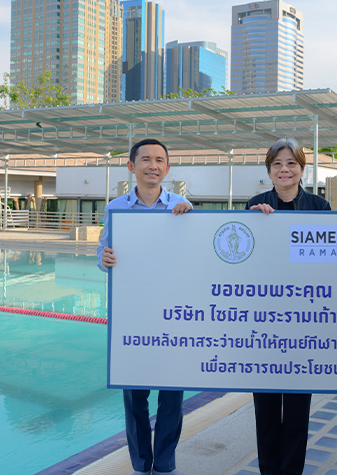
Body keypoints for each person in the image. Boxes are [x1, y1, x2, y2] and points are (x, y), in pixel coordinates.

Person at [97, 138, 192, 475]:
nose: (153, 165)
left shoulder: (182, 206)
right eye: (146, 159)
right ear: (131, 166)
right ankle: (141, 464)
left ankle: (164, 463)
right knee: (134, 396)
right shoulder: (115, 208)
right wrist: (105, 259)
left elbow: (193, 257)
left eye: (160, 160)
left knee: (172, 396)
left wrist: (191, 222)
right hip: (132, 314)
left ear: (167, 167)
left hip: (172, 315)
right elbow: (103, 251)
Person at [245, 137, 330, 475]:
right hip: (264, 324)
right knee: (265, 408)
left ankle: (292, 470)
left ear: (302, 169)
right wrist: (255, 225)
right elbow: (244, 260)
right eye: (277, 164)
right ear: (269, 170)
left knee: (297, 409)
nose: (284, 169)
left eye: (291, 163)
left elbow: (329, 261)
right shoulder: (255, 205)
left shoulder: (319, 207)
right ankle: (268, 470)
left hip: (303, 323)